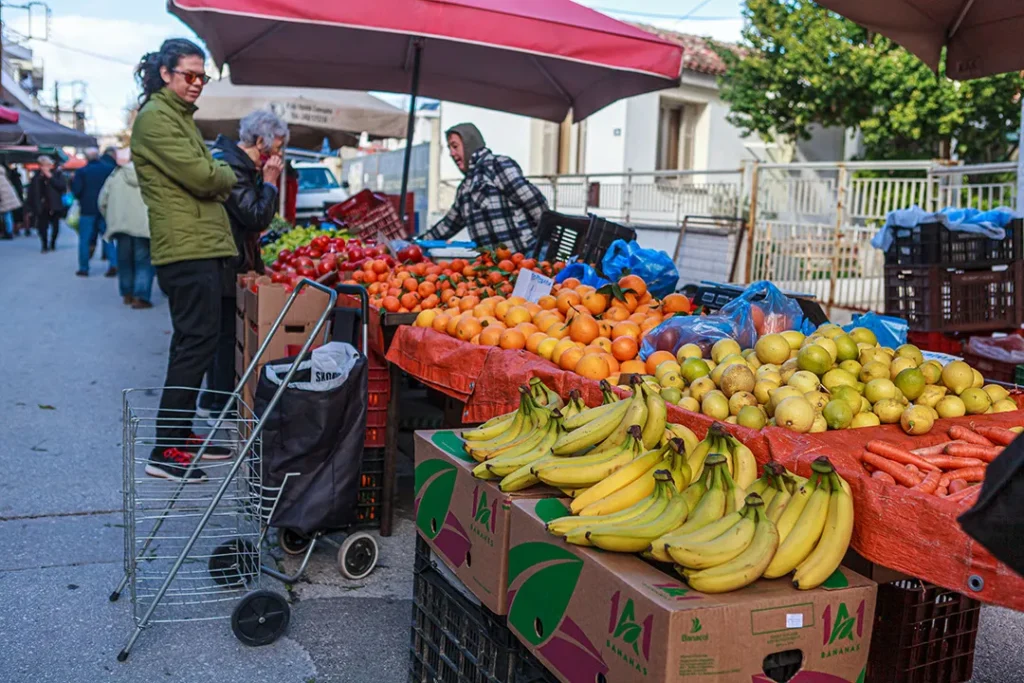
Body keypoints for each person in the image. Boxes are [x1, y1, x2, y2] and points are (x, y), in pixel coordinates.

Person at [131, 38, 238, 482]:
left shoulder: (178, 118)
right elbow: (203, 175)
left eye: (202, 77)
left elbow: (207, 174)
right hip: (186, 248)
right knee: (195, 344)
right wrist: (226, 174)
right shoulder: (156, 119)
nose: (197, 84)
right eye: (189, 75)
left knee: (195, 342)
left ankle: (179, 432)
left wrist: (216, 174)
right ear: (165, 74)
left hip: (199, 245)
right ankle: (165, 451)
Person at [198, 110, 287, 421]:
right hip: (224, 262)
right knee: (223, 335)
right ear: (260, 141)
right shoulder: (232, 166)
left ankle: (217, 399)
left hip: (231, 259)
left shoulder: (236, 163)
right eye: (277, 148)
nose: (279, 155)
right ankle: (217, 403)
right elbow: (256, 216)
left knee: (224, 333)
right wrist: (271, 183)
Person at [421, 123, 548, 253]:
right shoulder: (464, 189)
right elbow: (448, 225)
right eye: (449, 148)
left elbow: (534, 201)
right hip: (497, 267)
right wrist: (418, 243)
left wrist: (546, 239)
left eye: (455, 146)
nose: (451, 153)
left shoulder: (496, 165)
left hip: (527, 256)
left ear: (469, 144)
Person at [98, 159, 154, 308]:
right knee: (143, 262)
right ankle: (140, 296)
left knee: (124, 262)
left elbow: (102, 201)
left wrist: (111, 218)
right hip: (144, 226)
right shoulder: (150, 175)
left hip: (120, 226)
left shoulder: (115, 176)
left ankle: (127, 294)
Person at [71, 147, 118, 277]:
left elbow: (76, 191)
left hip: (87, 209)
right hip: (105, 209)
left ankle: (84, 268)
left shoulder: (82, 171)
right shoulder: (109, 170)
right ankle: (114, 264)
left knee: (84, 239)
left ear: (86, 157)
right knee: (107, 237)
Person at [26, 156, 67, 253]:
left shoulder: (57, 174)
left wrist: (50, 177)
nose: (45, 167)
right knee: (42, 227)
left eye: (48, 165)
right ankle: (44, 245)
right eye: (43, 165)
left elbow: (62, 187)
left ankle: (52, 242)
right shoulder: (36, 177)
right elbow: (32, 192)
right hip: (42, 205)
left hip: (54, 205)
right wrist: (29, 207)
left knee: (55, 227)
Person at [0, 167, 21, 239]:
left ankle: (8, 232)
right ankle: (10, 231)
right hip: (8, 200)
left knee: (6, 216)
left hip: (3, 200)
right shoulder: (3, 177)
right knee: (8, 215)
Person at [7, 165, 25, 236]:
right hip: (17, 199)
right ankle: (14, 229)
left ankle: (10, 230)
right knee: (16, 215)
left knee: (9, 215)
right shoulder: (18, 180)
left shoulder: (10, 180)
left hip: (11, 200)